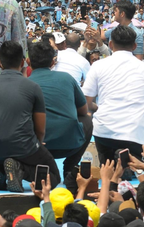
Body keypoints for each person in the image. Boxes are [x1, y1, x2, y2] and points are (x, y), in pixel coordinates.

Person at [0, 41, 60, 192]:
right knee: (53, 176)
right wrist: (36, 145)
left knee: (7, 154)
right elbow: (41, 130)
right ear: (23, 62)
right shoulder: (32, 87)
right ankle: (20, 169)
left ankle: (0, 170)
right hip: (23, 147)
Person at [83, 25, 144, 162]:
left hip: (104, 132)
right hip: (135, 133)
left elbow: (85, 102)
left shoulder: (98, 66)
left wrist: (98, 108)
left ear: (110, 44)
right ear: (135, 46)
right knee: (137, 171)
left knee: (109, 170)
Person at [28, 41, 93, 184]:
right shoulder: (67, 78)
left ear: (28, 61)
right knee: (87, 120)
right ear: (53, 62)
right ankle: (71, 165)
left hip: (38, 145)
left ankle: (37, 167)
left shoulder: (25, 83)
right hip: (70, 143)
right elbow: (83, 110)